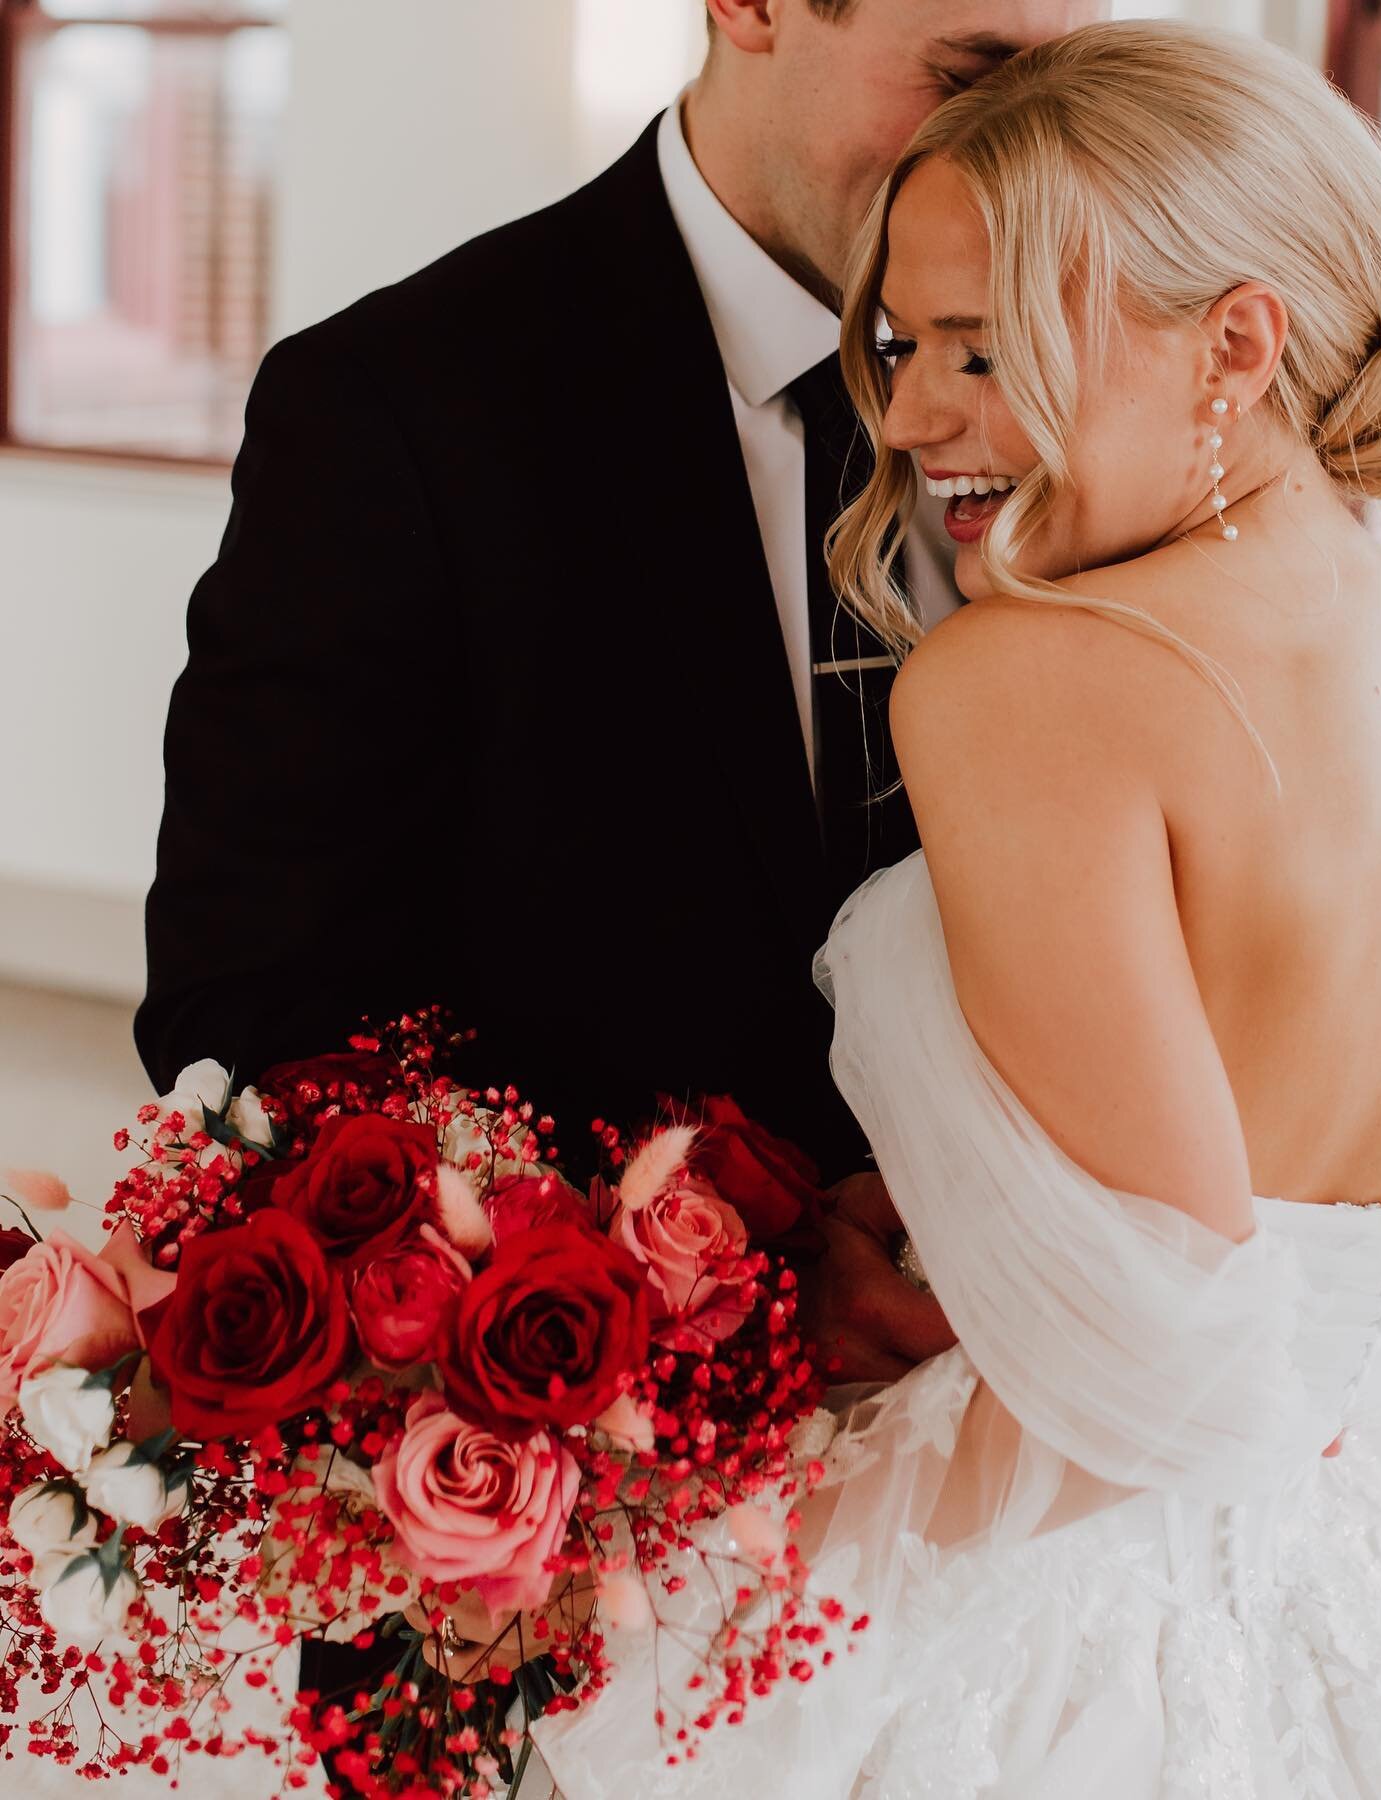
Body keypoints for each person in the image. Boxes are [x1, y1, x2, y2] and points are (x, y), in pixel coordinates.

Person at [132, 0, 1098, 1728]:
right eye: (968, 79)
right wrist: (725, 1279)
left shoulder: (1093, 400)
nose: (1016, 159)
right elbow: (253, 1012)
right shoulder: (405, 406)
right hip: (559, 1518)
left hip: (1002, 1538)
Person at [529, 20, 1381, 1796]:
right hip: (1378, 1557)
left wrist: (704, 1561)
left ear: (1234, 347)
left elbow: (1153, 1349)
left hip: (1084, 1617)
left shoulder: (1030, 682)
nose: (913, 414)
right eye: (897, 344)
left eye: (983, 346)